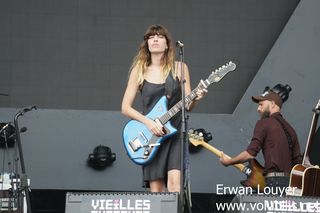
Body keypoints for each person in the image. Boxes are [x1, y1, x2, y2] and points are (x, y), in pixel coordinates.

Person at [121, 24, 207, 193]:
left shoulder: (180, 68)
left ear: (167, 44)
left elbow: (187, 106)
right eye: (151, 37)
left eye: (160, 36)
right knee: (157, 190)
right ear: (146, 43)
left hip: (174, 134)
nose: (155, 39)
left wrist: (197, 97)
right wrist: (148, 122)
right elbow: (125, 107)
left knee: (175, 185)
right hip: (150, 136)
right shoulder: (139, 70)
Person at [219, 89, 302, 190]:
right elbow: (298, 163)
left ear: (272, 104)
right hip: (291, 186)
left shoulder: (264, 123)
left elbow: (250, 154)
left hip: (274, 183)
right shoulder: (291, 130)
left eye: (261, 104)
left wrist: (229, 162)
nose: (258, 109)